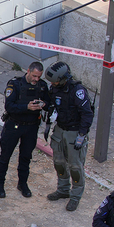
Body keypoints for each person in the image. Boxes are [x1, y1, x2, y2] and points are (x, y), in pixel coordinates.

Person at [42, 61, 95, 211]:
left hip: (74, 132)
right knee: (59, 162)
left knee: (75, 167)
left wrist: (81, 135)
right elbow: (52, 104)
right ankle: (63, 190)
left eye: (55, 81)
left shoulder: (77, 91)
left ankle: (75, 196)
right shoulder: (55, 89)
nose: (53, 84)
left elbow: (87, 114)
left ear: (64, 78)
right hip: (60, 129)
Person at [0, 62, 50, 198]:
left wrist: (43, 105)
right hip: (14, 125)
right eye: (34, 76)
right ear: (28, 71)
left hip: (31, 127)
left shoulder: (42, 86)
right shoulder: (15, 84)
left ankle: (23, 184)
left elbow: (49, 103)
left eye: (39, 77)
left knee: (26, 157)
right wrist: (27, 107)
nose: (36, 79)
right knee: (5, 156)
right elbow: (9, 106)